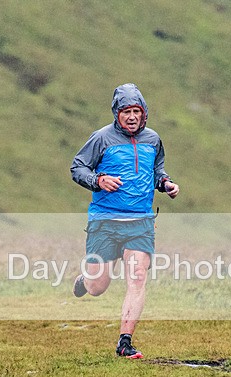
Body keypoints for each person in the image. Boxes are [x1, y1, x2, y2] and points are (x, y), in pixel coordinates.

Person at [70, 83, 180, 359]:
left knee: (137, 278)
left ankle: (125, 342)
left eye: (136, 111)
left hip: (140, 223)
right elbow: (77, 167)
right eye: (126, 111)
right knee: (98, 287)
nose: (132, 117)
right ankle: (86, 280)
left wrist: (165, 184)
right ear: (117, 114)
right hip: (105, 222)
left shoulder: (153, 139)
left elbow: (156, 171)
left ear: (144, 114)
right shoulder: (101, 138)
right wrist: (98, 180)